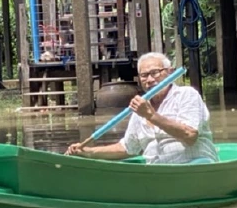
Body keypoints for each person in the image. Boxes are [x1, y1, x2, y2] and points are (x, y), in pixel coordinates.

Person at [65, 53, 218, 164]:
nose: (150, 80)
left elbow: (190, 135)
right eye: (144, 75)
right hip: (157, 172)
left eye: (155, 73)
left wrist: (151, 116)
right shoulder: (140, 108)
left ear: (170, 72)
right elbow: (127, 148)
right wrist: (88, 152)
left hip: (194, 164)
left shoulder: (186, 95)